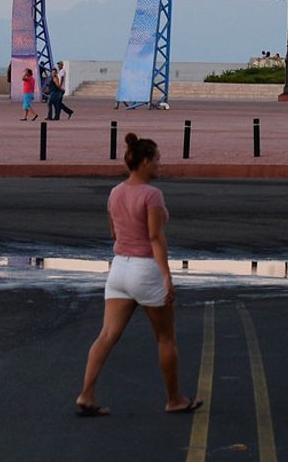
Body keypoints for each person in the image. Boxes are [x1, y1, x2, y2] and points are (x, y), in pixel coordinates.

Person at [74, 133, 201, 418]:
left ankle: (87, 393)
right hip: (145, 269)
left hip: (119, 268)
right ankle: (174, 399)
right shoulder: (151, 194)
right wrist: (167, 275)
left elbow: (113, 232)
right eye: (156, 160)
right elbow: (156, 237)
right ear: (144, 162)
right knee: (165, 338)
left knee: (106, 335)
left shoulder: (115, 192)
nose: (160, 165)